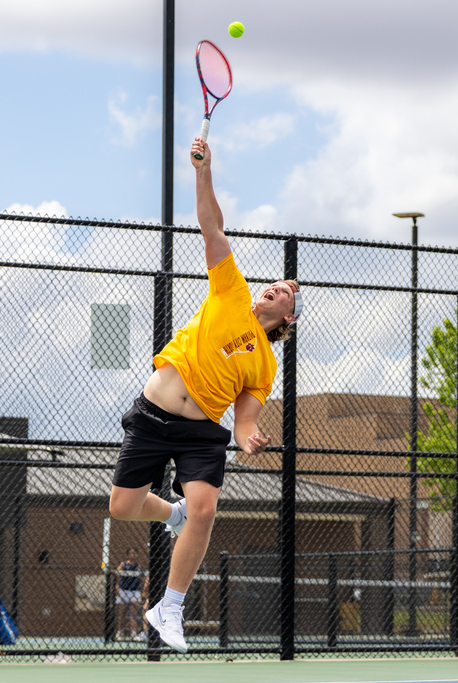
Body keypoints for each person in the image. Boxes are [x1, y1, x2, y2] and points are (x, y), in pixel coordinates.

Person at [107, 135, 302, 652]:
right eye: (277, 284)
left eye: (284, 293)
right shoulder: (231, 289)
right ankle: (169, 514)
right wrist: (203, 170)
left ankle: (169, 607)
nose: (276, 288)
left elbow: (243, 420)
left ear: (286, 319)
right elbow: (210, 225)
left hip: (199, 434)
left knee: (206, 509)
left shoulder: (264, 364)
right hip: (153, 414)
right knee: (122, 507)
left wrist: (247, 438)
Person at [115, 547, 143, 640]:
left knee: (133, 613)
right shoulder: (123, 565)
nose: (133, 555)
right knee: (122, 613)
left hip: (135, 591)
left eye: (134, 553)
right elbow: (117, 575)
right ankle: (119, 632)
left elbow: (141, 579)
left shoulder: (137, 566)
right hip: (124, 590)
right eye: (131, 553)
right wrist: (117, 587)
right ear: (128, 555)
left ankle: (133, 633)